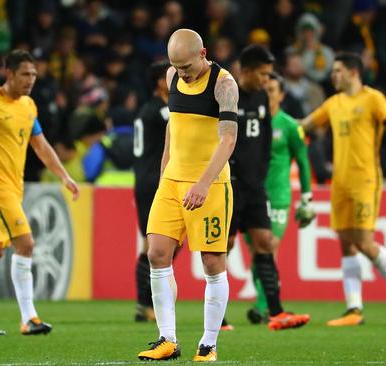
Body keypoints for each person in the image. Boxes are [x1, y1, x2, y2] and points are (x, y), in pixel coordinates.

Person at [0, 49, 80, 336]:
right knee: (26, 243)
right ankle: (29, 317)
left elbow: (42, 146)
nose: (31, 80)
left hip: (15, 186)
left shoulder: (28, 106)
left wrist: (64, 176)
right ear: (9, 73)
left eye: (34, 74)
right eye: (25, 74)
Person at [301, 52, 386, 327]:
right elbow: (303, 126)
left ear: (353, 73)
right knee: (345, 242)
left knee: (364, 241)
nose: (333, 75)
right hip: (341, 182)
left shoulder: (373, 99)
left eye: (338, 70)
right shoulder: (334, 103)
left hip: (365, 180)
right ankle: (354, 309)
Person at [136, 29, 237, 362]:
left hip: (210, 184)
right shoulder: (172, 76)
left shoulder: (224, 84)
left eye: (186, 67)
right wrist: (166, 175)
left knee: (212, 263)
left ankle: (208, 344)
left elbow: (228, 140)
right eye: (175, 68)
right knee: (157, 253)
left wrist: (204, 183)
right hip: (173, 181)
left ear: (203, 53)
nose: (181, 74)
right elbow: (173, 128)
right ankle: (167, 339)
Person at [227, 44, 310, 331]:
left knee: (265, 244)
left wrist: (259, 173)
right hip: (229, 186)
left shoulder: (262, 97)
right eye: (262, 74)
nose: (266, 80)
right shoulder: (226, 95)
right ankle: (218, 318)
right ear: (245, 71)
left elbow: (263, 140)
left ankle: (276, 312)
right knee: (221, 249)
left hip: (254, 188)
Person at [245, 71, 315, 324]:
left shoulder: (288, 126)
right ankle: (267, 303)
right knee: (256, 254)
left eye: (273, 89)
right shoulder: (252, 120)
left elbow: (304, 162)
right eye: (265, 89)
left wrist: (307, 198)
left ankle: (263, 306)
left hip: (277, 197)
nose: (268, 94)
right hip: (251, 195)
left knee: (270, 247)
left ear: (282, 95)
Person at [132, 61, 170, 322]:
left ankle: (146, 302)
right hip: (153, 181)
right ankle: (144, 305)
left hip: (150, 179)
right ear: (159, 82)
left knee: (164, 244)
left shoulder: (150, 109)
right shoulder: (161, 111)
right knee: (154, 245)